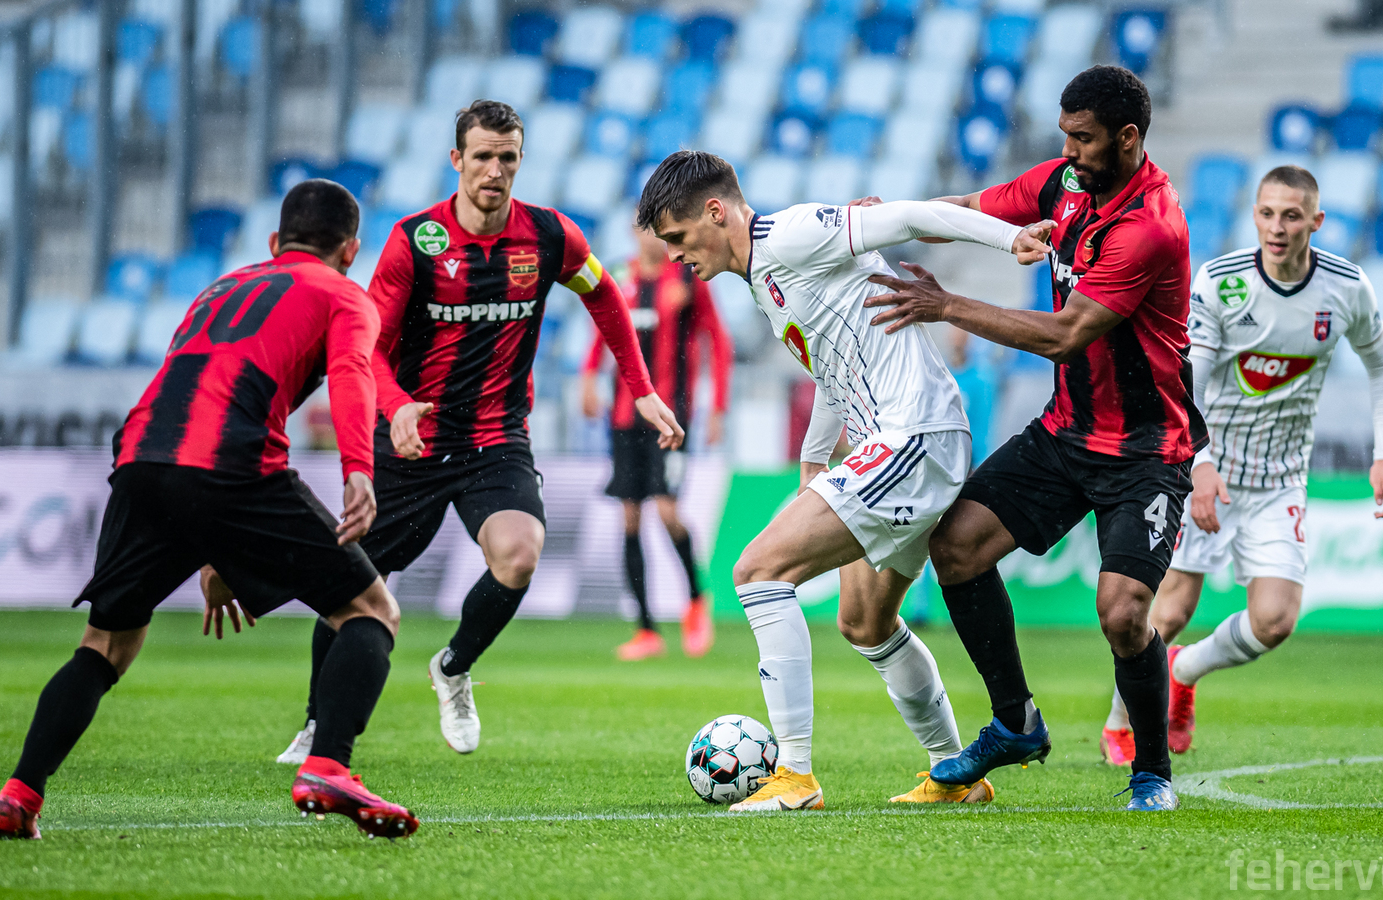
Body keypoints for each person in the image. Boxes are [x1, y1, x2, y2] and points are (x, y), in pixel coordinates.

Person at [0, 180, 419, 840]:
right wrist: (359, 469)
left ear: (274, 242)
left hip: (141, 456)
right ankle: (328, 765)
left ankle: (18, 796)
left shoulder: (218, 288)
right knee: (370, 610)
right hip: (232, 461)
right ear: (350, 251)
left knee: (106, 644)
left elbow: (197, 385)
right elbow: (354, 374)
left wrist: (218, 551)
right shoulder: (342, 294)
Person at [273, 100, 684, 763]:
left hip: (495, 438)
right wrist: (397, 406)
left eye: (508, 157)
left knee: (519, 555)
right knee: (353, 586)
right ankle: (319, 722)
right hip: (411, 440)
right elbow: (368, 348)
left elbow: (605, 295)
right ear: (457, 159)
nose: (495, 169)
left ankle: (454, 667)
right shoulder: (416, 242)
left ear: (521, 161)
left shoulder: (549, 236)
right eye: (483, 156)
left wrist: (641, 388)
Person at [636, 150, 1041, 811]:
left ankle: (794, 776)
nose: (675, 254)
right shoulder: (765, 277)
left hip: (913, 436)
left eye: (678, 237)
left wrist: (1010, 239)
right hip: (903, 441)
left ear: (715, 212)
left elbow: (907, 216)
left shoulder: (791, 234)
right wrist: (813, 462)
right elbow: (831, 366)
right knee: (865, 622)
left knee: (758, 571)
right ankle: (956, 776)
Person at [861, 65, 1201, 810]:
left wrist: (947, 305)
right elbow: (966, 210)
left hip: (1146, 453)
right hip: (1066, 431)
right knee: (956, 547)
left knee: (1123, 613)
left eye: (1084, 138)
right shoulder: (1063, 182)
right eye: (1065, 135)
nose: (1069, 150)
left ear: (1128, 138)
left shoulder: (1150, 226)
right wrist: (886, 219)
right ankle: (1015, 722)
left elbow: (1065, 334)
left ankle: (1151, 772)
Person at [1099, 166, 1383, 764]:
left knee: (1274, 621)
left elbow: (1381, 368)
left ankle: (1182, 671)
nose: (1277, 228)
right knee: (1172, 608)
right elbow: (1188, 382)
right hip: (1206, 468)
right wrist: (1202, 463)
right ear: (1254, 215)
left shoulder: (1346, 288)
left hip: (1280, 478)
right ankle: (1121, 721)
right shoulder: (1223, 282)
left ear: (1316, 221)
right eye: (1266, 214)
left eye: (1291, 216)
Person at [581, 226, 733, 661]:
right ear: (633, 232)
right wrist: (588, 376)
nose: (649, 237)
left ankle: (696, 601)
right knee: (629, 518)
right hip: (623, 417)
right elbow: (602, 330)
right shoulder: (618, 276)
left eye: (656, 229)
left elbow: (718, 340)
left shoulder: (687, 277)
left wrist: (717, 408)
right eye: (642, 227)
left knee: (667, 511)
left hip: (672, 417)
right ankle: (647, 630)